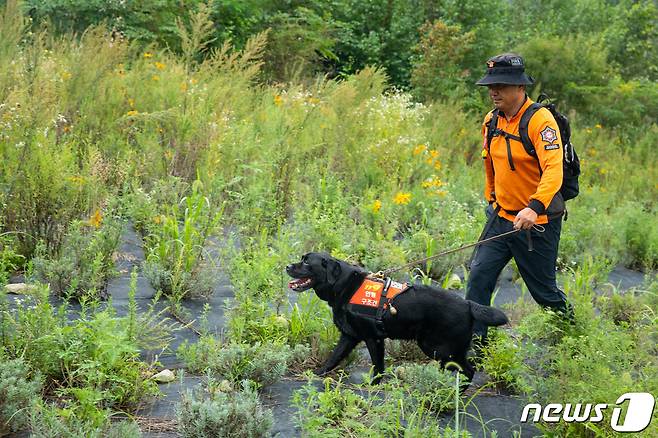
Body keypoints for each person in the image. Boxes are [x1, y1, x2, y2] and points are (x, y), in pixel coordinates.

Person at [466, 53, 572, 345]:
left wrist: (534, 207)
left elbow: (554, 170)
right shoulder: (491, 120)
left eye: (501, 85)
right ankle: (476, 345)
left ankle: (573, 336)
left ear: (520, 88)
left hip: (536, 223)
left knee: (545, 293)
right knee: (478, 277)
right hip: (501, 218)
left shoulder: (541, 121)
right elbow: (490, 162)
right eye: (491, 85)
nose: (493, 91)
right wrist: (492, 198)